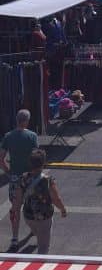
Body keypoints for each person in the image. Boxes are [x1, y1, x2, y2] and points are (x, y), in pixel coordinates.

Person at [12, 149, 67, 255]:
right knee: (43, 248)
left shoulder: (23, 178)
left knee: (36, 230)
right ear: (43, 163)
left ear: (30, 163)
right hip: (44, 217)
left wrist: (14, 210)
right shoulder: (48, 180)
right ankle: (40, 266)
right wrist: (63, 209)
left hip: (28, 216)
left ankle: (38, 234)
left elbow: (17, 199)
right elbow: (56, 199)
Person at [0, 109, 39, 252]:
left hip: (15, 178)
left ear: (17, 120)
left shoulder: (8, 136)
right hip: (29, 177)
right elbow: (37, 158)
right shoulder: (33, 136)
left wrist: (8, 172)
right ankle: (34, 230)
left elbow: (1, 158)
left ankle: (15, 238)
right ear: (27, 120)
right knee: (32, 207)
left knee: (15, 210)